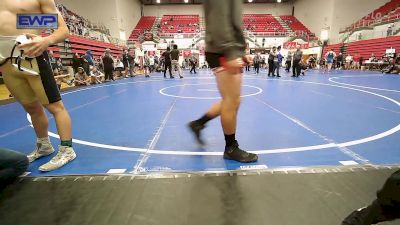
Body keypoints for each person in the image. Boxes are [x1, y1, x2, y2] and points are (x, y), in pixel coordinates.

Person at [0, 0, 76, 171]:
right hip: (5, 61)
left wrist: (47, 40)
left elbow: (63, 30)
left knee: (55, 106)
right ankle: (44, 146)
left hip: (31, 56)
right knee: (31, 107)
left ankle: (67, 149)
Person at [188, 0, 258, 163]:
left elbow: (232, 21)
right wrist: (231, 52)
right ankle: (230, 147)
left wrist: (240, 52)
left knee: (233, 100)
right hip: (223, 51)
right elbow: (220, 19)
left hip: (227, 50)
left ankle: (198, 124)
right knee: (231, 101)